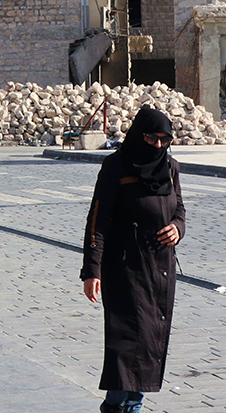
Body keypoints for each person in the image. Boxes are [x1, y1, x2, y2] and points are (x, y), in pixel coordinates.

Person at [81, 107, 186, 413]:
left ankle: (129, 405)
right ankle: (119, 405)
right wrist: (92, 270)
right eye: (152, 138)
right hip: (124, 269)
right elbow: (97, 221)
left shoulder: (171, 167)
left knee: (150, 342)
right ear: (138, 134)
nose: (157, 145)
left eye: (164, 139)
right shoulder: (116, 166)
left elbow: (180, 208)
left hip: (160, 271)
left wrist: (177, 229)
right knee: (126, 344)